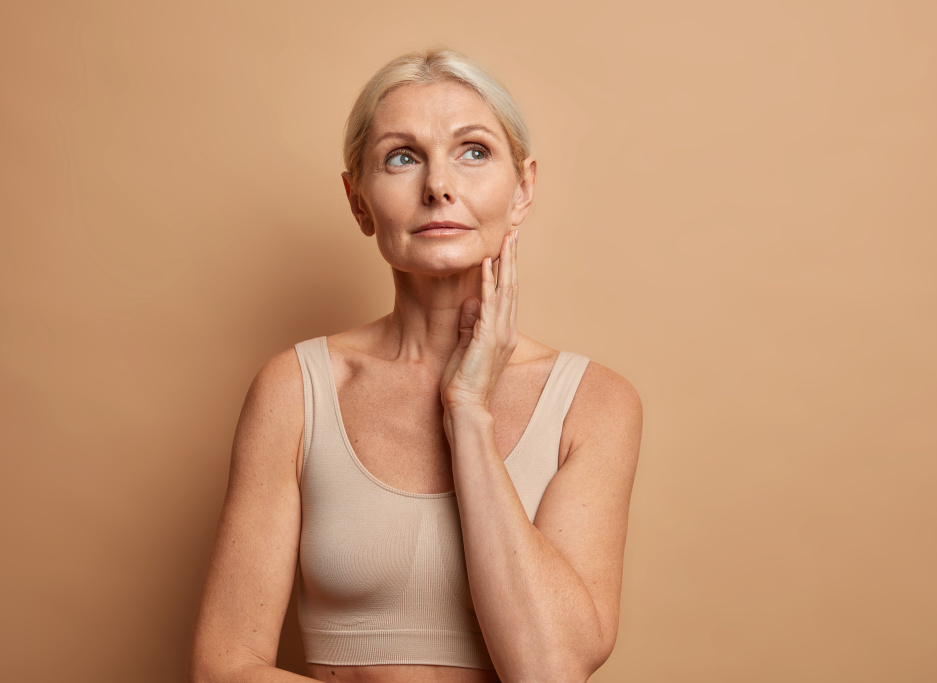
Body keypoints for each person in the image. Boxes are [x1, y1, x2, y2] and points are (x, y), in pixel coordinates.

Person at [190, 48, 643, 683]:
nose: (438, 186)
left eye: (474, 151)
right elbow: (224, 667)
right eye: (402, 157)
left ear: (523, 189)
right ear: (358, 202)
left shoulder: (594, 404)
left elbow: (550, 670)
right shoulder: (294, 390)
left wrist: (469, 413)